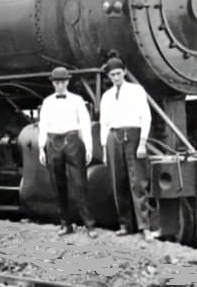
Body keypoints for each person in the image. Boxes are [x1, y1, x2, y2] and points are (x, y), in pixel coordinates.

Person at [99, 57, 159, 240]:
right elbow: (104, 123)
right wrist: (103, 148)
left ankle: (145, 228)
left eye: (118, 73)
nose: (116, 77)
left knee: (138, 182)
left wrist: (142, 142)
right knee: (119, 183)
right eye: (112, 75)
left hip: (133, 136)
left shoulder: (136, 91)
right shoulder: (107, 96)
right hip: (113, 138)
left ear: (124, 72)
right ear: (109, 77)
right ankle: (125, 225)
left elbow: (145, 117)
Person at [37, 66, 97, 238]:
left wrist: (89, 146)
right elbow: (43, 124)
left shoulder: (77, 100)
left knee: (79, 183)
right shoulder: (48, 102)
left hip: (72, 141)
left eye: (62, 82)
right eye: (57, 82)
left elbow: (85, 123)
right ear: (53, 83)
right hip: (53, 142)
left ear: (68, 82)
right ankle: (65, 223)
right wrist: (41, 147)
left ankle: (89, 225)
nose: (60, 85)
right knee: (58, 184)